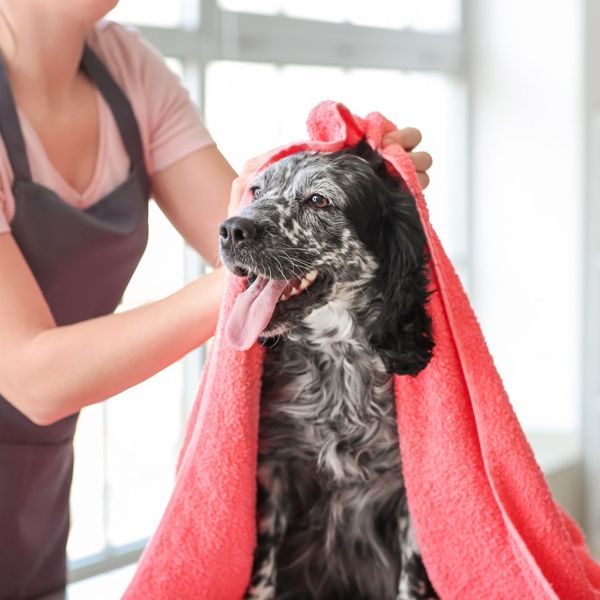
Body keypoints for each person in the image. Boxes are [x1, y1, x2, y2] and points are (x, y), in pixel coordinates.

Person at [0, 0, 433, 597]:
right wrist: (260, 280)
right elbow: (30, 378)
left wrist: (363, 188)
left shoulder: (126, 69)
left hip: (36, 485)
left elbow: (242, 231)